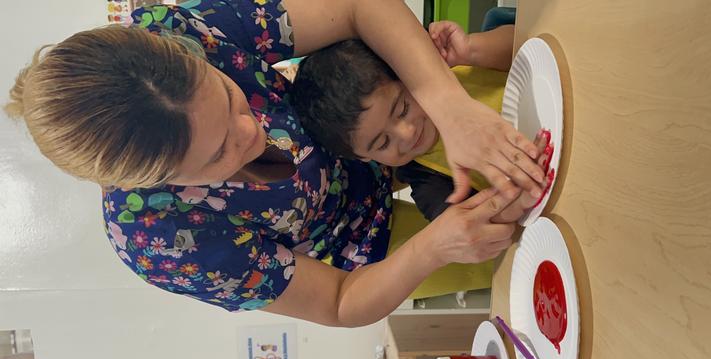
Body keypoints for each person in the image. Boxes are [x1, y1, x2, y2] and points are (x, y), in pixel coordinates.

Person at [5, 0, 547, 327]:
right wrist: (435, 247)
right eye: (218, 154)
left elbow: (358, 7)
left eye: (228, 95)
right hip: (360, 250)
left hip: (359, 130)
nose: (253, 131)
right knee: (517, 251)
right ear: (161, 184)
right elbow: (338, 302)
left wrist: (446, 104)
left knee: (522, 135)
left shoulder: (176, 29)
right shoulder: (156, 239)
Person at [292, 24, 555, 223]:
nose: (407, 133)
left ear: (408, 73)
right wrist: (519, 202)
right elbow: (481, 221)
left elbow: (526, 44)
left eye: (403, 108)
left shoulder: (451, 71)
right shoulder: (427, 181)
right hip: (556, 185)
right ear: (363, 157)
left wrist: (473, 49)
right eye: (383, 142)